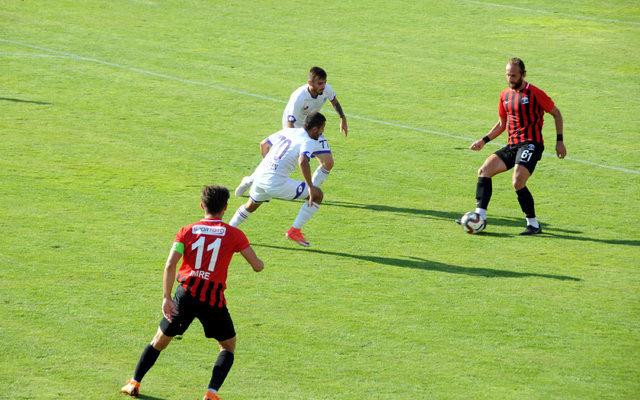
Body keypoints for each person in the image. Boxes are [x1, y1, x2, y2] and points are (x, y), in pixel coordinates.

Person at [121, 185, 264, 400]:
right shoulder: (234, 234)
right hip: (213, 300)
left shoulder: (186, 231)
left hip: (185, 295)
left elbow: (170, 265)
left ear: (202, 205)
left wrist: (166, 297)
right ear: (225, 208)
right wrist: (257, 260)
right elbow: (256, 265)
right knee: (227, 346)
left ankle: (134, 382)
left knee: (160, 340)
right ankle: (211, 394)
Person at [461, 57, 567, 235]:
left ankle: (533, 224)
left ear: (523, 75)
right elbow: (502, 124)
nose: (510, 79)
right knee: (484, 170)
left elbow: (556, 114)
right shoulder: (505, 95)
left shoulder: (534, 93)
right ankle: (480, 217)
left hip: (531, 144)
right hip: (513, 145)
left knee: (518, 181)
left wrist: (559, 141)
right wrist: (483, 140)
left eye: (514, 75)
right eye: (507, 75)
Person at [234, 66, 347, 196]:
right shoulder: (299, 97)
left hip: (312, 128)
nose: (324, 86)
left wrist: (342, 118)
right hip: (294, 129)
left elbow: (334, 101)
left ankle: (311, 192)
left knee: (328, 162)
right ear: (310, 83)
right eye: (320, 83)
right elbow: (290, 123)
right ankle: (250, 180)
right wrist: (297, 145)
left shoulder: (326, 89)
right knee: (275, 159)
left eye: (325, 82)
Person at [228, 112, 327, 247]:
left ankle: (227, 232)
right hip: (275, 182)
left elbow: (263, 144)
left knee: (250, 206)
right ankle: (295, 230)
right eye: (322, 129)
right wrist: (310, 186)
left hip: (260, 176)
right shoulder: (308, 141)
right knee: (317, 195)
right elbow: (303, 161)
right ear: (314, 129)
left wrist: (268, 165)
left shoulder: (289, 131)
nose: (322, 133)